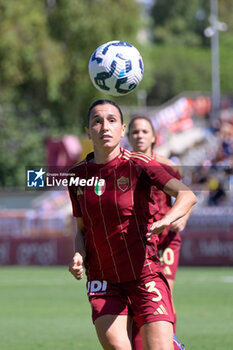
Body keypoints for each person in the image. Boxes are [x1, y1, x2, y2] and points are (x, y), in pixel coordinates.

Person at [68, 99, 197, 350]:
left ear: (122, 129)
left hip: (145, 275)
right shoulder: (76, 176)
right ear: (87, 130)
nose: (105, 127)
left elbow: (187, 195)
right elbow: (81, 230)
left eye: (112, 121)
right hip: (104, 281)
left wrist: (167, 219)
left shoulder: (139, 164)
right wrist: (78, 254)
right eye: (97, 121)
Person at [127, 116, 192, 349]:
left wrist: (181, 219)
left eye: (145, 131)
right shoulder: (124, 166)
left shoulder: (167, 165)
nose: (140, 136)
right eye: (135, 132)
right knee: (138, 300)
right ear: (128, 136)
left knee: (162, 296)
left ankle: (171, 343)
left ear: (154, 137)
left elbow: (185, 198)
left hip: (166, 241)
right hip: (142, 241)